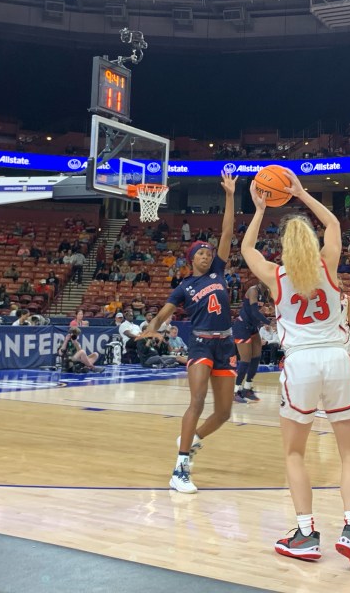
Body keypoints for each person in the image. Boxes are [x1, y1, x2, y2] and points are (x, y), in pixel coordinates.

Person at [241, 168, 350, 570]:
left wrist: (260, 209)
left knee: (294, 452)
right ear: (313, 243)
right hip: (336, 360)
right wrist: (300, 193)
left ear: (283, 247)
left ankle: (305, 533)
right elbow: (334, 222)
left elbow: (247, 249)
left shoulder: (275, 275)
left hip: (299, 364)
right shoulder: (329, 265)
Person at [142, 173, 238, 495]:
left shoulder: (219, 272)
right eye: (201, 253)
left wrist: (229, 194)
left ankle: (192, 439)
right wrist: (151, 331)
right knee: (196, 401)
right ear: (191, 258)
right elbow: (162, 315)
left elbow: (227, 231)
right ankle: (180, 468)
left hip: (225, 343)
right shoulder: (184, 287)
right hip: (200, 344)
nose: (207, 255)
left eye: (209, 253)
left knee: (224, 412)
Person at [232, 281, 270, 403]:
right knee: (245, 360)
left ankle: (247, 388)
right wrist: (270, 322)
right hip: (242, 327)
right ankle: (236, 390)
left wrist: (270, 309)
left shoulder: (266, 292)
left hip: (253, 328)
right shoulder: (253, 290)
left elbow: (272, 305)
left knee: (256, 357)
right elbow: (254, 312)